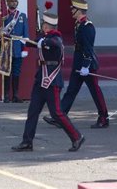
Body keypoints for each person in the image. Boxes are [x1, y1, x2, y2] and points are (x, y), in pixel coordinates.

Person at [11, 10, 85, 152]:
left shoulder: (56, 38)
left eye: (44, 24)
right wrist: (19, 38)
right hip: (41, 81)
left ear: (47, 26)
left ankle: (76, 136)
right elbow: (36, 43)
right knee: (32, 111)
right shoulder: (45, 38)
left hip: (52, 81)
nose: (42, 27)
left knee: (57, 113)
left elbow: (53, 44)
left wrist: (41, 42)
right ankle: (27, 141)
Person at [45, 0, 109, 128]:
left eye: (73, 9)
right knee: (71, 90)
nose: (72, 11)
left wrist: (86, 65)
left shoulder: (87, 26)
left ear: (79, 10)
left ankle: (104, 117)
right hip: (78, 61)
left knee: (95, 91)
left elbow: (88, 48)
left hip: (87, 65)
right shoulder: (78, 24)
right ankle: (60, 116)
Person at [0, 0, 28, 103]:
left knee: (16, 71)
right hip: (7, 46)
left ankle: (15, 95)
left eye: (15, 1)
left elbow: (26, 33)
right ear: (7, 2)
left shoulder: (22, 16)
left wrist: (24, 48)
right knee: (7, 71)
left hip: (17, 47)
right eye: (11, 1)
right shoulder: (3, 15)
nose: (14, 3)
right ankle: (6, 95)